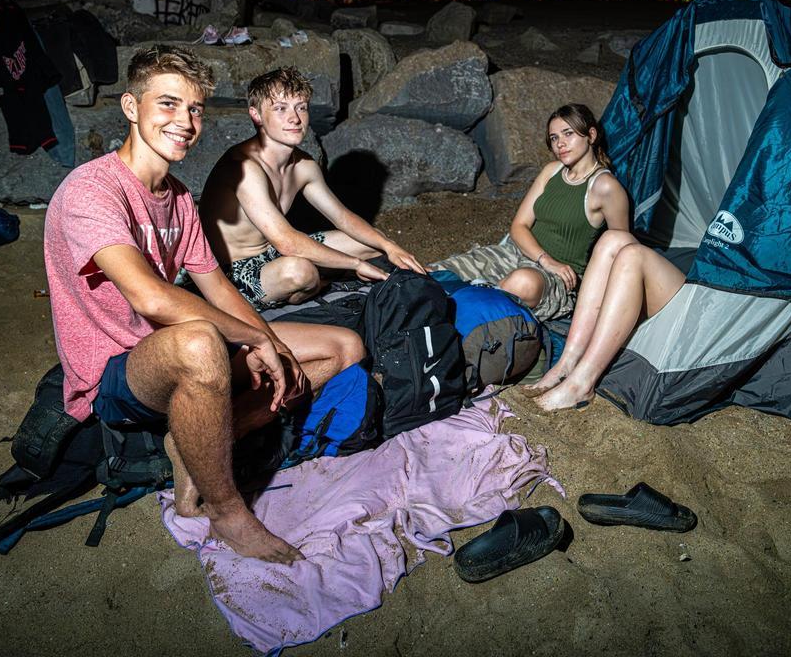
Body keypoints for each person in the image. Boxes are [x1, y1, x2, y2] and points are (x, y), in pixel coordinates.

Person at [44, 45, 364, 563]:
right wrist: (254, 338)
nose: (185, 122)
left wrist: (269, 344)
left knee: (343, 347)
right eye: (168, 104)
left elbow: (219, 289)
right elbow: (149, 294)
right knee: (201, 341)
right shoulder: (92, 190)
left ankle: (193, 445)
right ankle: (227, 511)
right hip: (115, 371)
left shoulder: (177, 197)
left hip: (181, 353)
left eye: (194, 110)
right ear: (131, 107)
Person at [200, 66, 425, 309]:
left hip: (274, 255)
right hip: (230, 272)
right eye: (280, 108)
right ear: (256, 115)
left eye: (301, 107)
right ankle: (314, 287)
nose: (294, 118)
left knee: (371, 243)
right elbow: (286, 242)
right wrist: (355, 264)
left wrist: (390, 246)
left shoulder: (304, 165)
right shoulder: (243, 167)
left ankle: (319, 281)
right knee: (301, 272)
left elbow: (342, 217)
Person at [434, 103, 628, 320]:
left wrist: (594, 298)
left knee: (521, 282)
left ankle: (468, 312)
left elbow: (622, 252)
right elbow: (519, 226)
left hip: (556, 276)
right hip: (518, 253)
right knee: (433, 273)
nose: (560, 144)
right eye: (554, 138)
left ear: (590, 135)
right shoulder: (551, 171)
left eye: (568, 134)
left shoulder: (605, 187)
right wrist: (544, 258)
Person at [520, 230, 687, 411]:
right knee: (612, 239)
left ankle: (581, 384)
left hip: (704, 305)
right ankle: (567, 362)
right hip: (686, 274)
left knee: (633, 256)